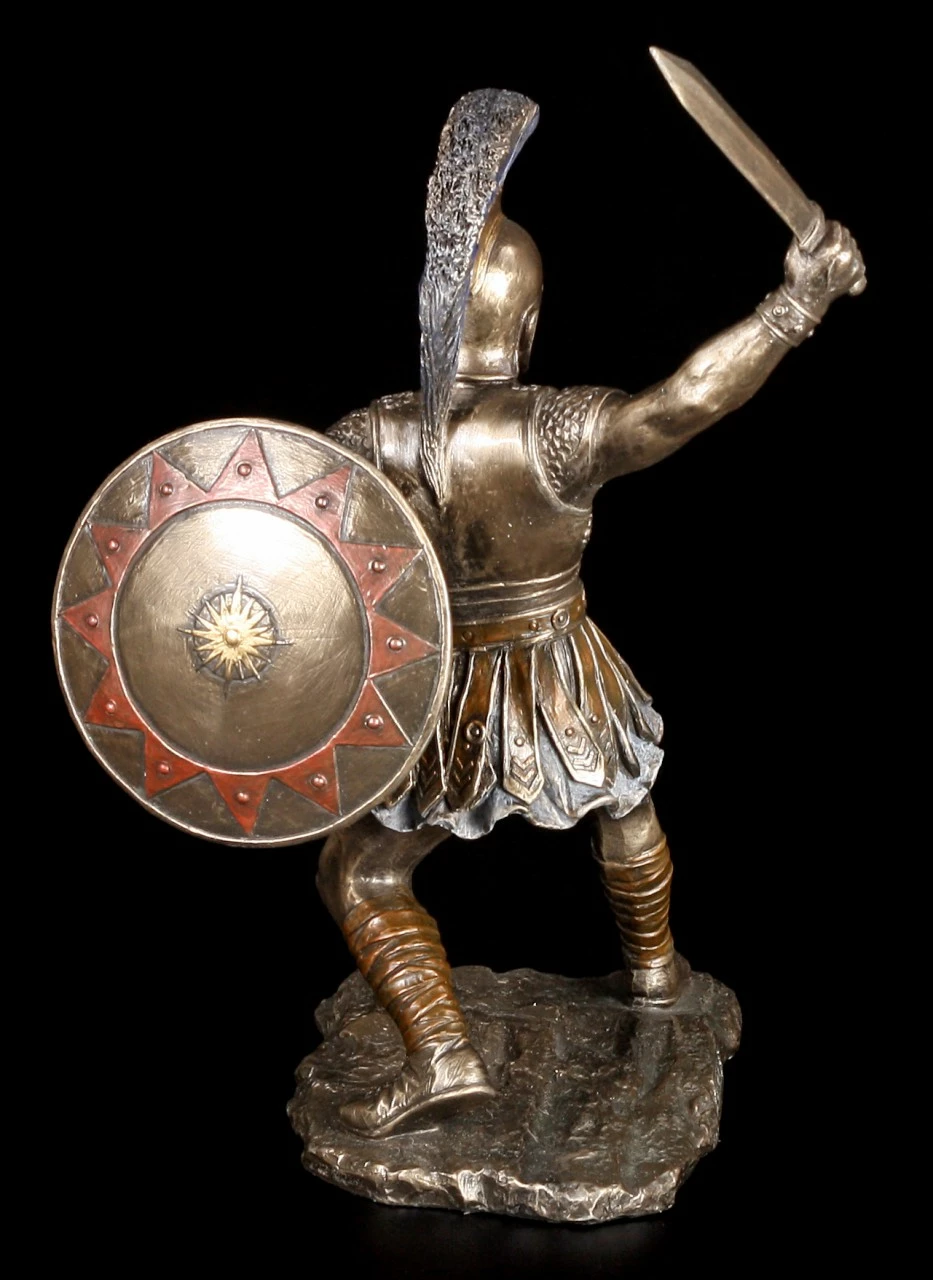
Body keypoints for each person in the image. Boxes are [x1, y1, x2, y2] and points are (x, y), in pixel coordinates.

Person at [315, 89, 864, 1136]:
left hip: (436, 686)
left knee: (362, 871)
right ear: (526, 323)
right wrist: (796, 306)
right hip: (559, 664)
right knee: (625, 800)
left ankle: (444, 1047)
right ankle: (654, 972)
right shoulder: (555, 430)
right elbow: (683, 403)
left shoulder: (367, 434)